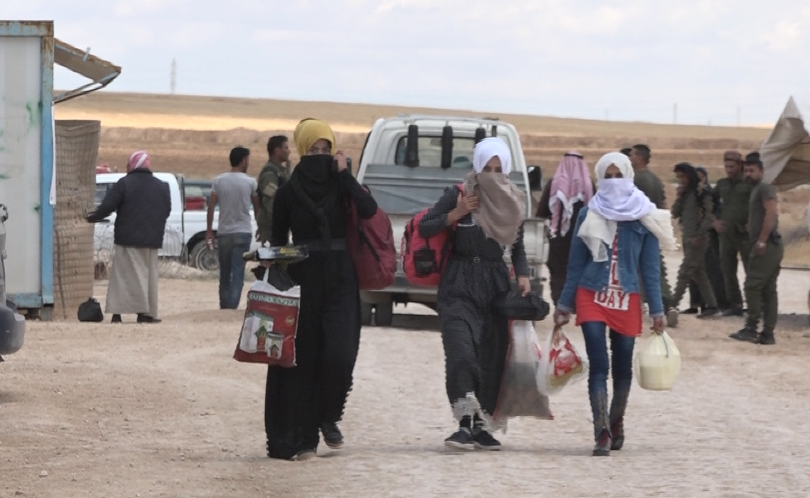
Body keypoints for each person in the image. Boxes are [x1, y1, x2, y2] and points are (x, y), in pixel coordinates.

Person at [265, 118, 378, 461]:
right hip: (304, 279)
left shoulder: (343, 185)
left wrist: (345, 175)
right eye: (313, 150)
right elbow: (277, 237)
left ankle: (329, 415)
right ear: (301, 150)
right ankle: (303, 438)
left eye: (325, 150)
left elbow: (370, 209)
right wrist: (271, 261)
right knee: (304, 359)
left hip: (342, 278)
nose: (320, 156)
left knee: (341, 354)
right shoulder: (287, 191)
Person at [554, 152, 676, 457]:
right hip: (591, 295)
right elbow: (574, 265)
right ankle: (602, 431)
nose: (612, 181)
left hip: (627, 298)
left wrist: (658, 310)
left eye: (617, 175)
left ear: (628, 175)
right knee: (600, 364)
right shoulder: (588, 213)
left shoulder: (643, 215)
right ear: (598, 177)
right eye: (606, 176)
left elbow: (649, 269)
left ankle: (617, 419)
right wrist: (564, 304)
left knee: (622, 367)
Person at [419, 137, 531, 451]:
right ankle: (463, 424)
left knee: (491, 358)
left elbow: (517, 243)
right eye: (487, 168)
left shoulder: (514, 199)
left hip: (496, 286)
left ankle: (482, 427)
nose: (492, 174)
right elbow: (426, 226)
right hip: (458, 283)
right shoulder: (458, 194)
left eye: (498, 169)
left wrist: (523, 275)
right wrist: (456, 213)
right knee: (461, 354)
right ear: (477, 166)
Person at [86, 151, 171, 324]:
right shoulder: (162, 186)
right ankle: (147, 313)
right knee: (149, 278)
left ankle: (118, 314)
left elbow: (108, 206)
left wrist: (91, 218)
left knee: (124, 278)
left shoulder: (125, 184)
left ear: (133, 165)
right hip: (152, 240)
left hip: (128, 239)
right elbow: (166, 210)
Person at [729, 153, 783, 345]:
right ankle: (767, 333)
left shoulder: (765, 188)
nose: (748, 174)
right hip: (767, 244)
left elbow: (771, 213)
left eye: (752, 171)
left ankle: (751, 328)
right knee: (768, 289)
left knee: (752, 286)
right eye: (746, 171)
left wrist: (761, 240)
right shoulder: (756, 190)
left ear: (761, 171)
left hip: (767, 245)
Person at [536, 152, 594, 306]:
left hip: (558, 240)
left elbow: (541, 213)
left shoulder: (553, 184)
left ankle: (560, 304)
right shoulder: (589, 186)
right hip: (583, 238)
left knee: (558, 273)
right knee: (579, 270)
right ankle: (576, 304)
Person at [628, 144, 677, 327]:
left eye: (632, 154)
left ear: (640, 157)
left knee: (638, 268)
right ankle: (668, 305)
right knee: (656, 269)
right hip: (654, 227)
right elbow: (663, 204)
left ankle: (639, 305)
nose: (630, 158)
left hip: (640, 228)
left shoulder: (637, 179)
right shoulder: (655, 179)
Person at [206, 146, 260, 310]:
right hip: (243, 231)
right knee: (238, 272)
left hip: (224, 233)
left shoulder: (218, 181)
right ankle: (232, 306)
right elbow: (257, 208)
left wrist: (209, 230)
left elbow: (211, 206)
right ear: (243, 160)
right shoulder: (251, 182)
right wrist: (261, 227)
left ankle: (224, 305)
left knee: (225, 272)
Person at [668, 163, 719, 317]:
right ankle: (712, 305)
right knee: (698, 273)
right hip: (688, 237)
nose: (681, 180)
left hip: (698, 238)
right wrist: (679, 196)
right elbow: (675, 213)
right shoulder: (686, 193)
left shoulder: (702, 192)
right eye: (678, 177)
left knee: (685, 272)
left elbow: (709, 215)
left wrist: (700, 234)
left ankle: (672, 304)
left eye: (683, 176)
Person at [685, 167, 729, 313]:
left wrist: (713, 223)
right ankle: (696, 304)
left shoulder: (708, 193)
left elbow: (713, 212)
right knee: (694, 270)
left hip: (708, 236)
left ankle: (714, 303)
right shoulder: (691, 193)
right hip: (693, 236)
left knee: (711, 270)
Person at [713, 150, 751, 317]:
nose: (728, 170)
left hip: (745, 234)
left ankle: (756, 305)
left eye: (732, 166)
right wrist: (713, 221)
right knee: (728, 271)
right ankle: (735, 304)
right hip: (726, 233)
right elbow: (708, 203)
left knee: (752, 270)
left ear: (740, 165)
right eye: (726, 166)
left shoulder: (749, 183)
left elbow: (760, 204)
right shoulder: (722, 184)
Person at [256, 135, 291, 243]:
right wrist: (280, 226)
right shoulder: (270, 173)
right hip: (272, 229)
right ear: (277, 151)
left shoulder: (280, 171)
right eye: (286, 148)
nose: (289, 151)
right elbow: (271, 203)